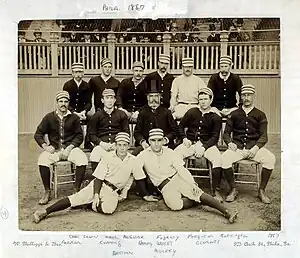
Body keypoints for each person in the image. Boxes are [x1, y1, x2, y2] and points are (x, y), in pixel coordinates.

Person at [32, 132, 158, 224]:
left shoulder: (133, 160)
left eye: (125, 145)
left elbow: (138, 179)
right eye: (119, 145)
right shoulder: (108, 157)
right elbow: (98, 178)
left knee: (109, 209)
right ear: (115, 145)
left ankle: (89, 205)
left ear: (128, 145)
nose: (122, 148)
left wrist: (144, 195)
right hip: (100, 185)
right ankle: (45, 212)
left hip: (113, 192)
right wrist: (96, 194)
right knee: (75, 198)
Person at [135, 128, 238, 223]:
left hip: (177, 178)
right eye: (153, 140)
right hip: (164, 186)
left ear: (163, 141)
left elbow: (181, 169)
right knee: (175, 205)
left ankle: (227, 211)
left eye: (159, 140)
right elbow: (136, 169)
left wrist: (192, 183)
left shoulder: (170, 152)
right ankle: (199, 201)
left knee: (195, 191)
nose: (156, 144)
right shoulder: (143, 155)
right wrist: (145, 195)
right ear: (149, 141)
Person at [221, 84, 276, 204]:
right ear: (240, 97)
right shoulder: (234, 114)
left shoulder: (260, 114)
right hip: (238, 149)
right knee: (224, 159)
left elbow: (264, 136)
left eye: (249, 95)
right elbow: (226, 134)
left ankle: (261, 190)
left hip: (253, 149)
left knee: (270, 159)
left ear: (253, 96)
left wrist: (256, 148)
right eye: (244, 95)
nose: (246, 98)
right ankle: (233, 189)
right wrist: (230, 143)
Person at [34, 91, 88, 205]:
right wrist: (45, 146)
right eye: (60, 101)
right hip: (55, 150)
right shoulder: (49, 117)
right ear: (57, 103)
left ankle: (76, 190)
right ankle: (47, 192)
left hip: (70, 149)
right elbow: (38, 134)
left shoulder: (74, 117)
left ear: (69, 103)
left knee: (82, 159)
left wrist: (70, 147)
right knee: (42, 160)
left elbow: (79, 136)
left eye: (65, 101)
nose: (63, 104)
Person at [175, 88, 223, 202]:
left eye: (206, 99)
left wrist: (204, 147)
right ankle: (181, 186)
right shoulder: (192, 112)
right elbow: (180, 126)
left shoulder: (215, 116)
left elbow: (215, 137)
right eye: (201, 99)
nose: (203, 102)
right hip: (190, 143)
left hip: (207, 145)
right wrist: (184, 138)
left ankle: (216, 190)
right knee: (175, 156)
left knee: (217, 159)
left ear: (211, 100)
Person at [133, 79, 178, 156]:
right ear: (147, 98)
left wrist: (166, 140)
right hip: (146, 145)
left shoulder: (166, 112)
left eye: (156, 96)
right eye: (151, 96)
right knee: (133, 157)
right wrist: (143, 142)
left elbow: (174, 131)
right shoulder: (143, 113)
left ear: (160, 97)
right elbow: (137, 132)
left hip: (164, 145)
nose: (153, 99)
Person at [88, 89, 129, 172]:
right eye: (107, 98)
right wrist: (101, 143)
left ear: (115, 100)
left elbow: (126, 132)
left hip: (117, 145)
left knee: (121, 155)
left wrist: (117, 143)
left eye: (111, 98)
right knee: (95, 153)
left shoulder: (122, 114)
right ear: (102, 100)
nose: (109, 101)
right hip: (102, 145)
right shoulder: (96, 116)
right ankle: (98, 180)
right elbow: (91, 135)